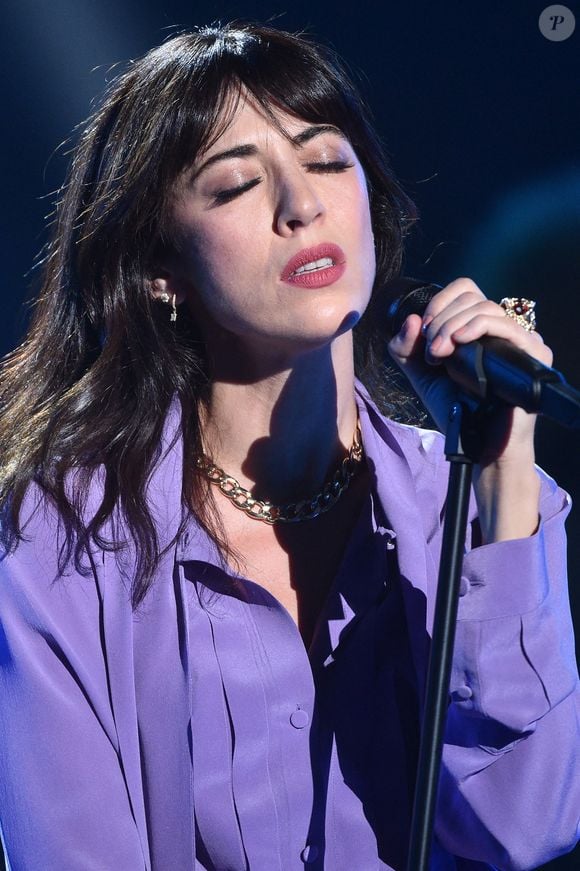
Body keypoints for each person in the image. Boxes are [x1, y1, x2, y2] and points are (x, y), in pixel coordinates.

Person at [0, 21, 578, 871]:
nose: (300, 204)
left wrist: (498, 468)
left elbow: (523, 827)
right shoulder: (59, 542)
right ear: (161, 265)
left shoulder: (484, 505)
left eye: (325, 162)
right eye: (235, 185)